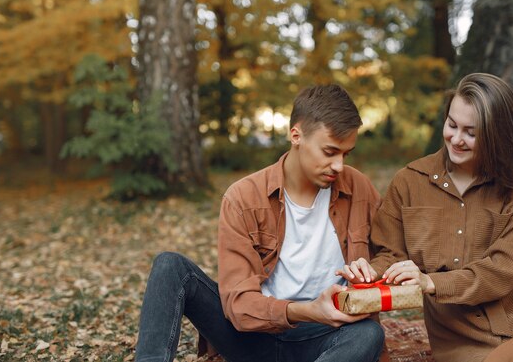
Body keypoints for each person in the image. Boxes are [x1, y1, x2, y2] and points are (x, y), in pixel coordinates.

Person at [339, 73, 513, 362]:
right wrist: (371, 273)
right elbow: (390, 253)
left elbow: (502, 269)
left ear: (497, 134)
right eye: (452, 125)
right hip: (457, 328)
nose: (456, 139)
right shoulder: (409, 181)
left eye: (471, 132)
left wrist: (433, 283)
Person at [135, 84, 385, 362]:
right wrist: (308, 309)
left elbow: (391, 253)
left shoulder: (359, 187)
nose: (339, 165)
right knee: (170, 265)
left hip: (326, 334)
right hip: (253, 337)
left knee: (369, 334)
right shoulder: (243, 197)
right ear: (296, 135)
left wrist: (372, 270)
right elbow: (238, 306)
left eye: (346, 154)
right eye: (330, 152)